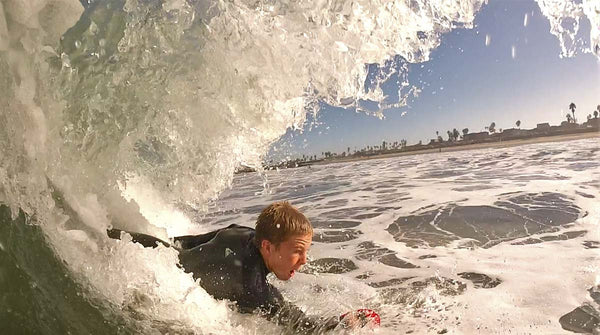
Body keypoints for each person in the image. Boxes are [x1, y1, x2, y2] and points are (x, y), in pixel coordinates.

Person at [108, 201, 343, 333]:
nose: (304, 260)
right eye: (297, 251)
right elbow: (299, 325)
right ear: (268, 247)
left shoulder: (241, 232)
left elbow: (189, 242)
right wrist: (340, 323)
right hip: (153, 280)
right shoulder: (250, 284)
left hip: (150, 247)